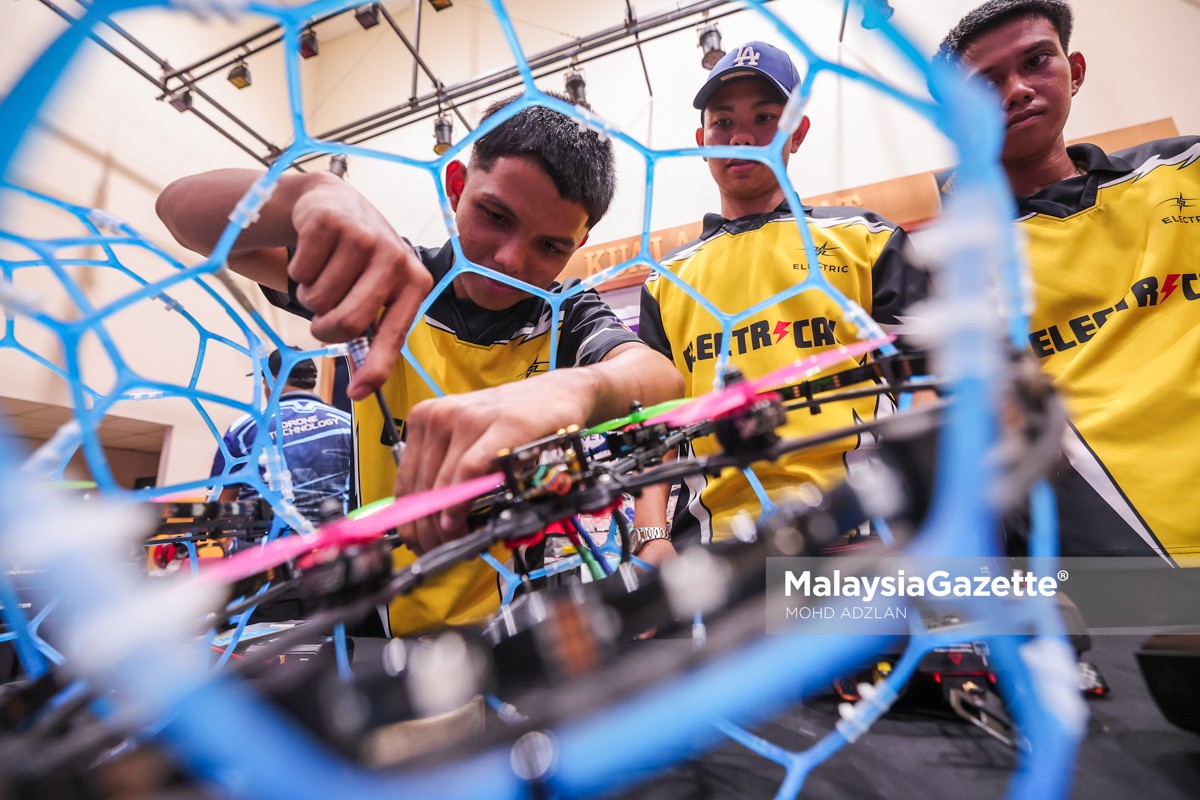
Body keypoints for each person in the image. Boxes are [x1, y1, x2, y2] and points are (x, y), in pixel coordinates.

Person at [158, 93, 683, 635]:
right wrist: (304, 192)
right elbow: (180, 212)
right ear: (456, 185)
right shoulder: (385, 276)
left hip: (508, 625)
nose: (510, 259)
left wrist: (579, 389)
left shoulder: (567, 313)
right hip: (371, 620)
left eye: (550, 246)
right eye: (494, 216)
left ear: (581, 243)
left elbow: (662, 379)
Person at [634, 41, 930, 561]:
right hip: (712, 557)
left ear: (798, 131)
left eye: (765, 117)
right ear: (702, 140)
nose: (742, 136)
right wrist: (652, 539)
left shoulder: (867, 240)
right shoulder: (666, 279)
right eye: (723, 123)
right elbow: (655, 427)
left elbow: (927, 383)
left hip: (855, 537)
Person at [938, 0, 1200, 561]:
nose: (1015, 90)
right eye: (984, 85)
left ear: (1074, 70)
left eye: (1035, 61)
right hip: (1113, 579)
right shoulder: (950, 269)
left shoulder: (1185, 171)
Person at [211, 346, 353, 525]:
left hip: (265, 547)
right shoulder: (348, 423)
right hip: (334, 545)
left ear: (272, 380)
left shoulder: (245, 428)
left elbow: (221, 502)